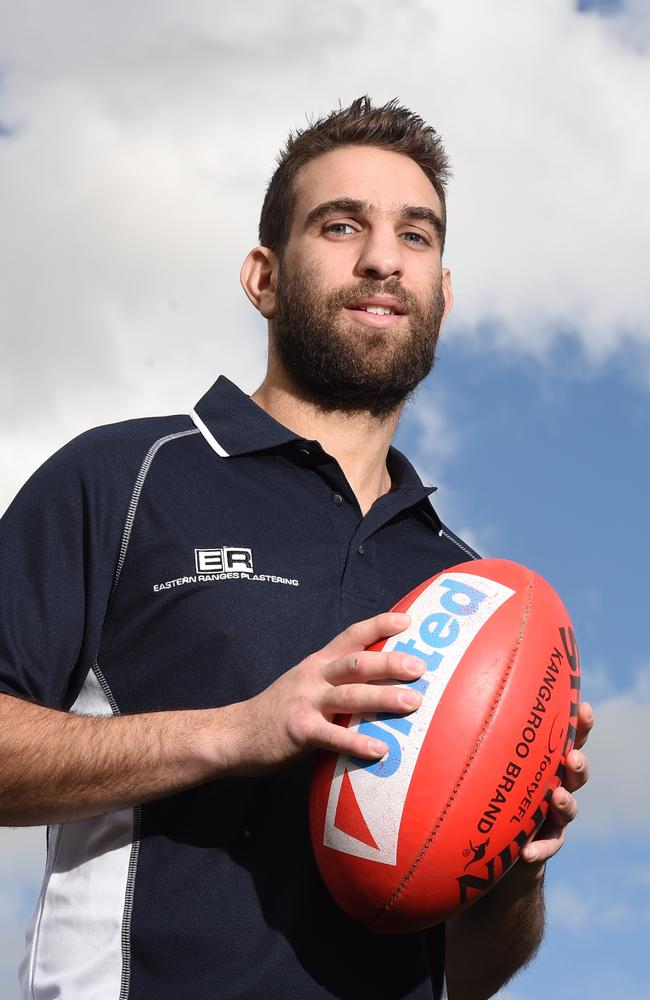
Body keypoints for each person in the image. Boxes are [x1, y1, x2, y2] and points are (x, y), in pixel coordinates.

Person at [0, 96, 592, 1000]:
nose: (383, 258)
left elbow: (463, 977)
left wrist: (511, 864)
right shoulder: (127, 477)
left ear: (443, 292)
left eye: (417, 236)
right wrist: (237, 732)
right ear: (264, 278)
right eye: (341, 224)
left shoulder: (462, 584)